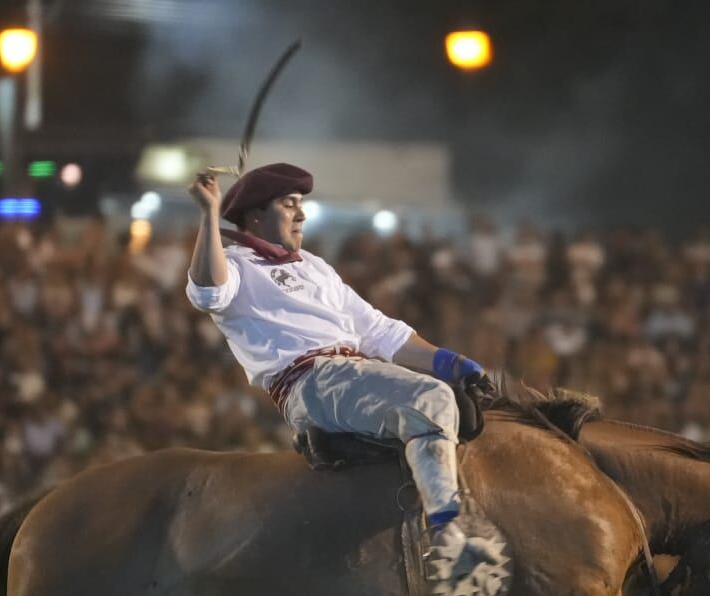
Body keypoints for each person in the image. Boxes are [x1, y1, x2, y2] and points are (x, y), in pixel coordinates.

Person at [184, 163, 498, 568]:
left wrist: (453, 362)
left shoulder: (314, 266)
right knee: (431, 397)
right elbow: (208, 294)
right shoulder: (236, 264)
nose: (301, 214)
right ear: (255, 215)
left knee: (463, 404)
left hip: (353, 378)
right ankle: (448, 538)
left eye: (301, 205)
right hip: (313, 382)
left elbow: (381, 332)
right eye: (288, 204)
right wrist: (209, 213)